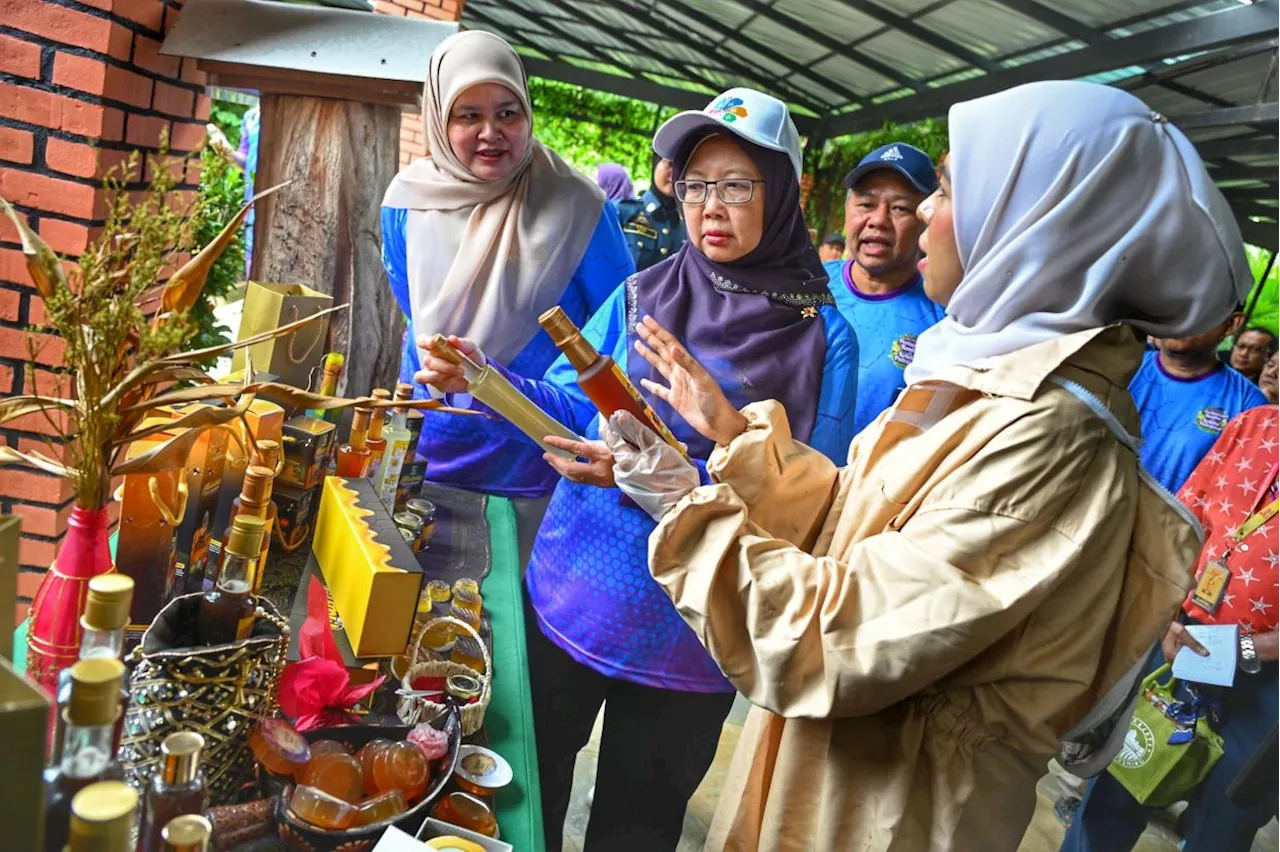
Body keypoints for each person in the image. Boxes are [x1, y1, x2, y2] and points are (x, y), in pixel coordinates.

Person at [603, 80, 1252, 851]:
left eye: (944, 190)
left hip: (895, 808)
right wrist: (738, 440)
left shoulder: (1055, 435)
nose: (923, 217)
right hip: (836, 766)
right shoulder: (983, 374)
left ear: (1034, 223)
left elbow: (841, 635)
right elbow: (861, 522)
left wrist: (686, 505)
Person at [418, 87, 858, 851]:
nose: (709, 206)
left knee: (637, 825)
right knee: (525, 790)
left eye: (736, 185)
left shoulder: (824, 340)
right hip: (567, 600)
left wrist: (690, 452)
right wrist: (484, 378)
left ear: (784, 190)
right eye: (694, 185)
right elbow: (568, 406)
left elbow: (816, 505)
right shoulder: (640, 293)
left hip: (692, 636)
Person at [379, 31, 634, 549]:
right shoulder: (406, 201)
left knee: (498, 609)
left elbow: (614, 332)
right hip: (421, 439)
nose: (491, 132)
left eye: (508, 112)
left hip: (530, 461)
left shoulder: (579, 209)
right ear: (439, 119)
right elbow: (411, 308)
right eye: (467, 114)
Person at [1064, 402, 1280, 852]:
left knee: (1222, 826)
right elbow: (1187, 518)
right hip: (1179, 641)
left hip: (1267, 687)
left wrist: (1245, 649)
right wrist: (1166, 612)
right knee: (1115, 791)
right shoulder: (1256, 424)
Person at [825, 142, 945, 434]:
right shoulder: (805, 285)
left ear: (925, 221)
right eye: (866, 204)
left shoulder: (943, 321)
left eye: (900, 208)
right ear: (846, 212)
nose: (878, 220)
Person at [1129, 314, 1268, 493]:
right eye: (1174, 307)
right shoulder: (1120, 366)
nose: (1180, 319)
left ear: (1232, 323)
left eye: (1200, 308)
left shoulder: (1250, 405)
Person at [617, 154, 688, 271]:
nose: (675, 173)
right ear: (655, 164)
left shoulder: (689, 225)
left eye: (683, 167)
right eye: (670, 164)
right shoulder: (624, 212)